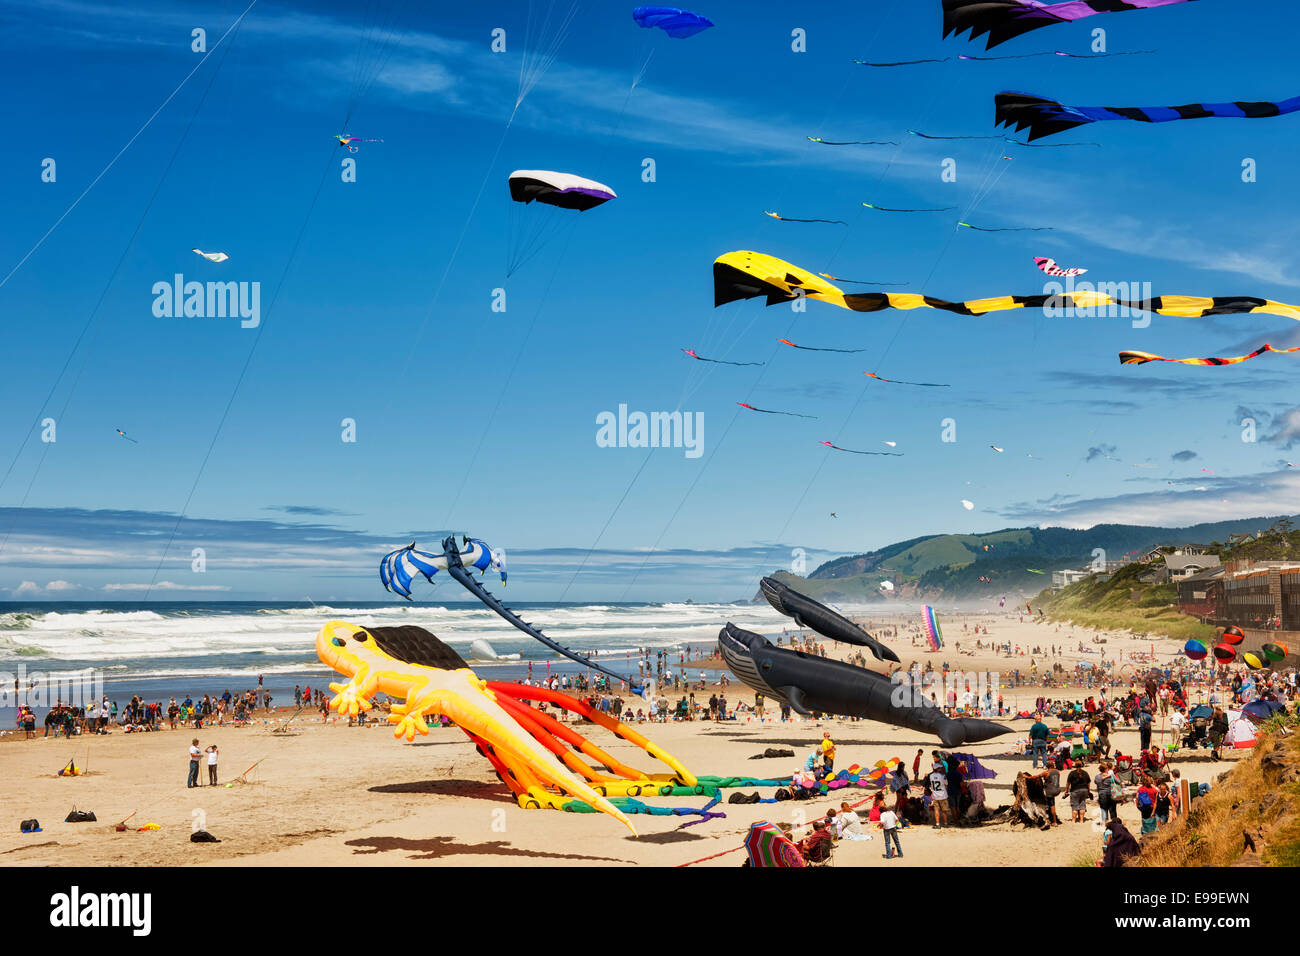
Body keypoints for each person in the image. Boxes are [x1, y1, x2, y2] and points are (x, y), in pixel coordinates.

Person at [928, 760, 950, 828]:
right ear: (937, 769)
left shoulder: (931, 776)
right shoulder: (942, 776)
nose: (941, 769)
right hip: (943, 795)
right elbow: (946, 783)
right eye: (939, 768)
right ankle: (945, 823)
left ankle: (937, 824)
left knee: (936, 810)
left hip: (935, 795)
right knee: (944, 811)